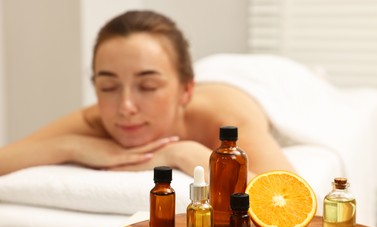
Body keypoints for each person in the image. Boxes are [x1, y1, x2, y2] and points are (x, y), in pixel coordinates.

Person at [0, 10, 294, 179]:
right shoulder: (97, 120)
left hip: (262, 79)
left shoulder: (225, 120)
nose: (125, 107)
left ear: (186, 91)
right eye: (108, 87)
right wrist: (72, 147)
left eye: (148, 87)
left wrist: (187, 154)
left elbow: (288, 199)